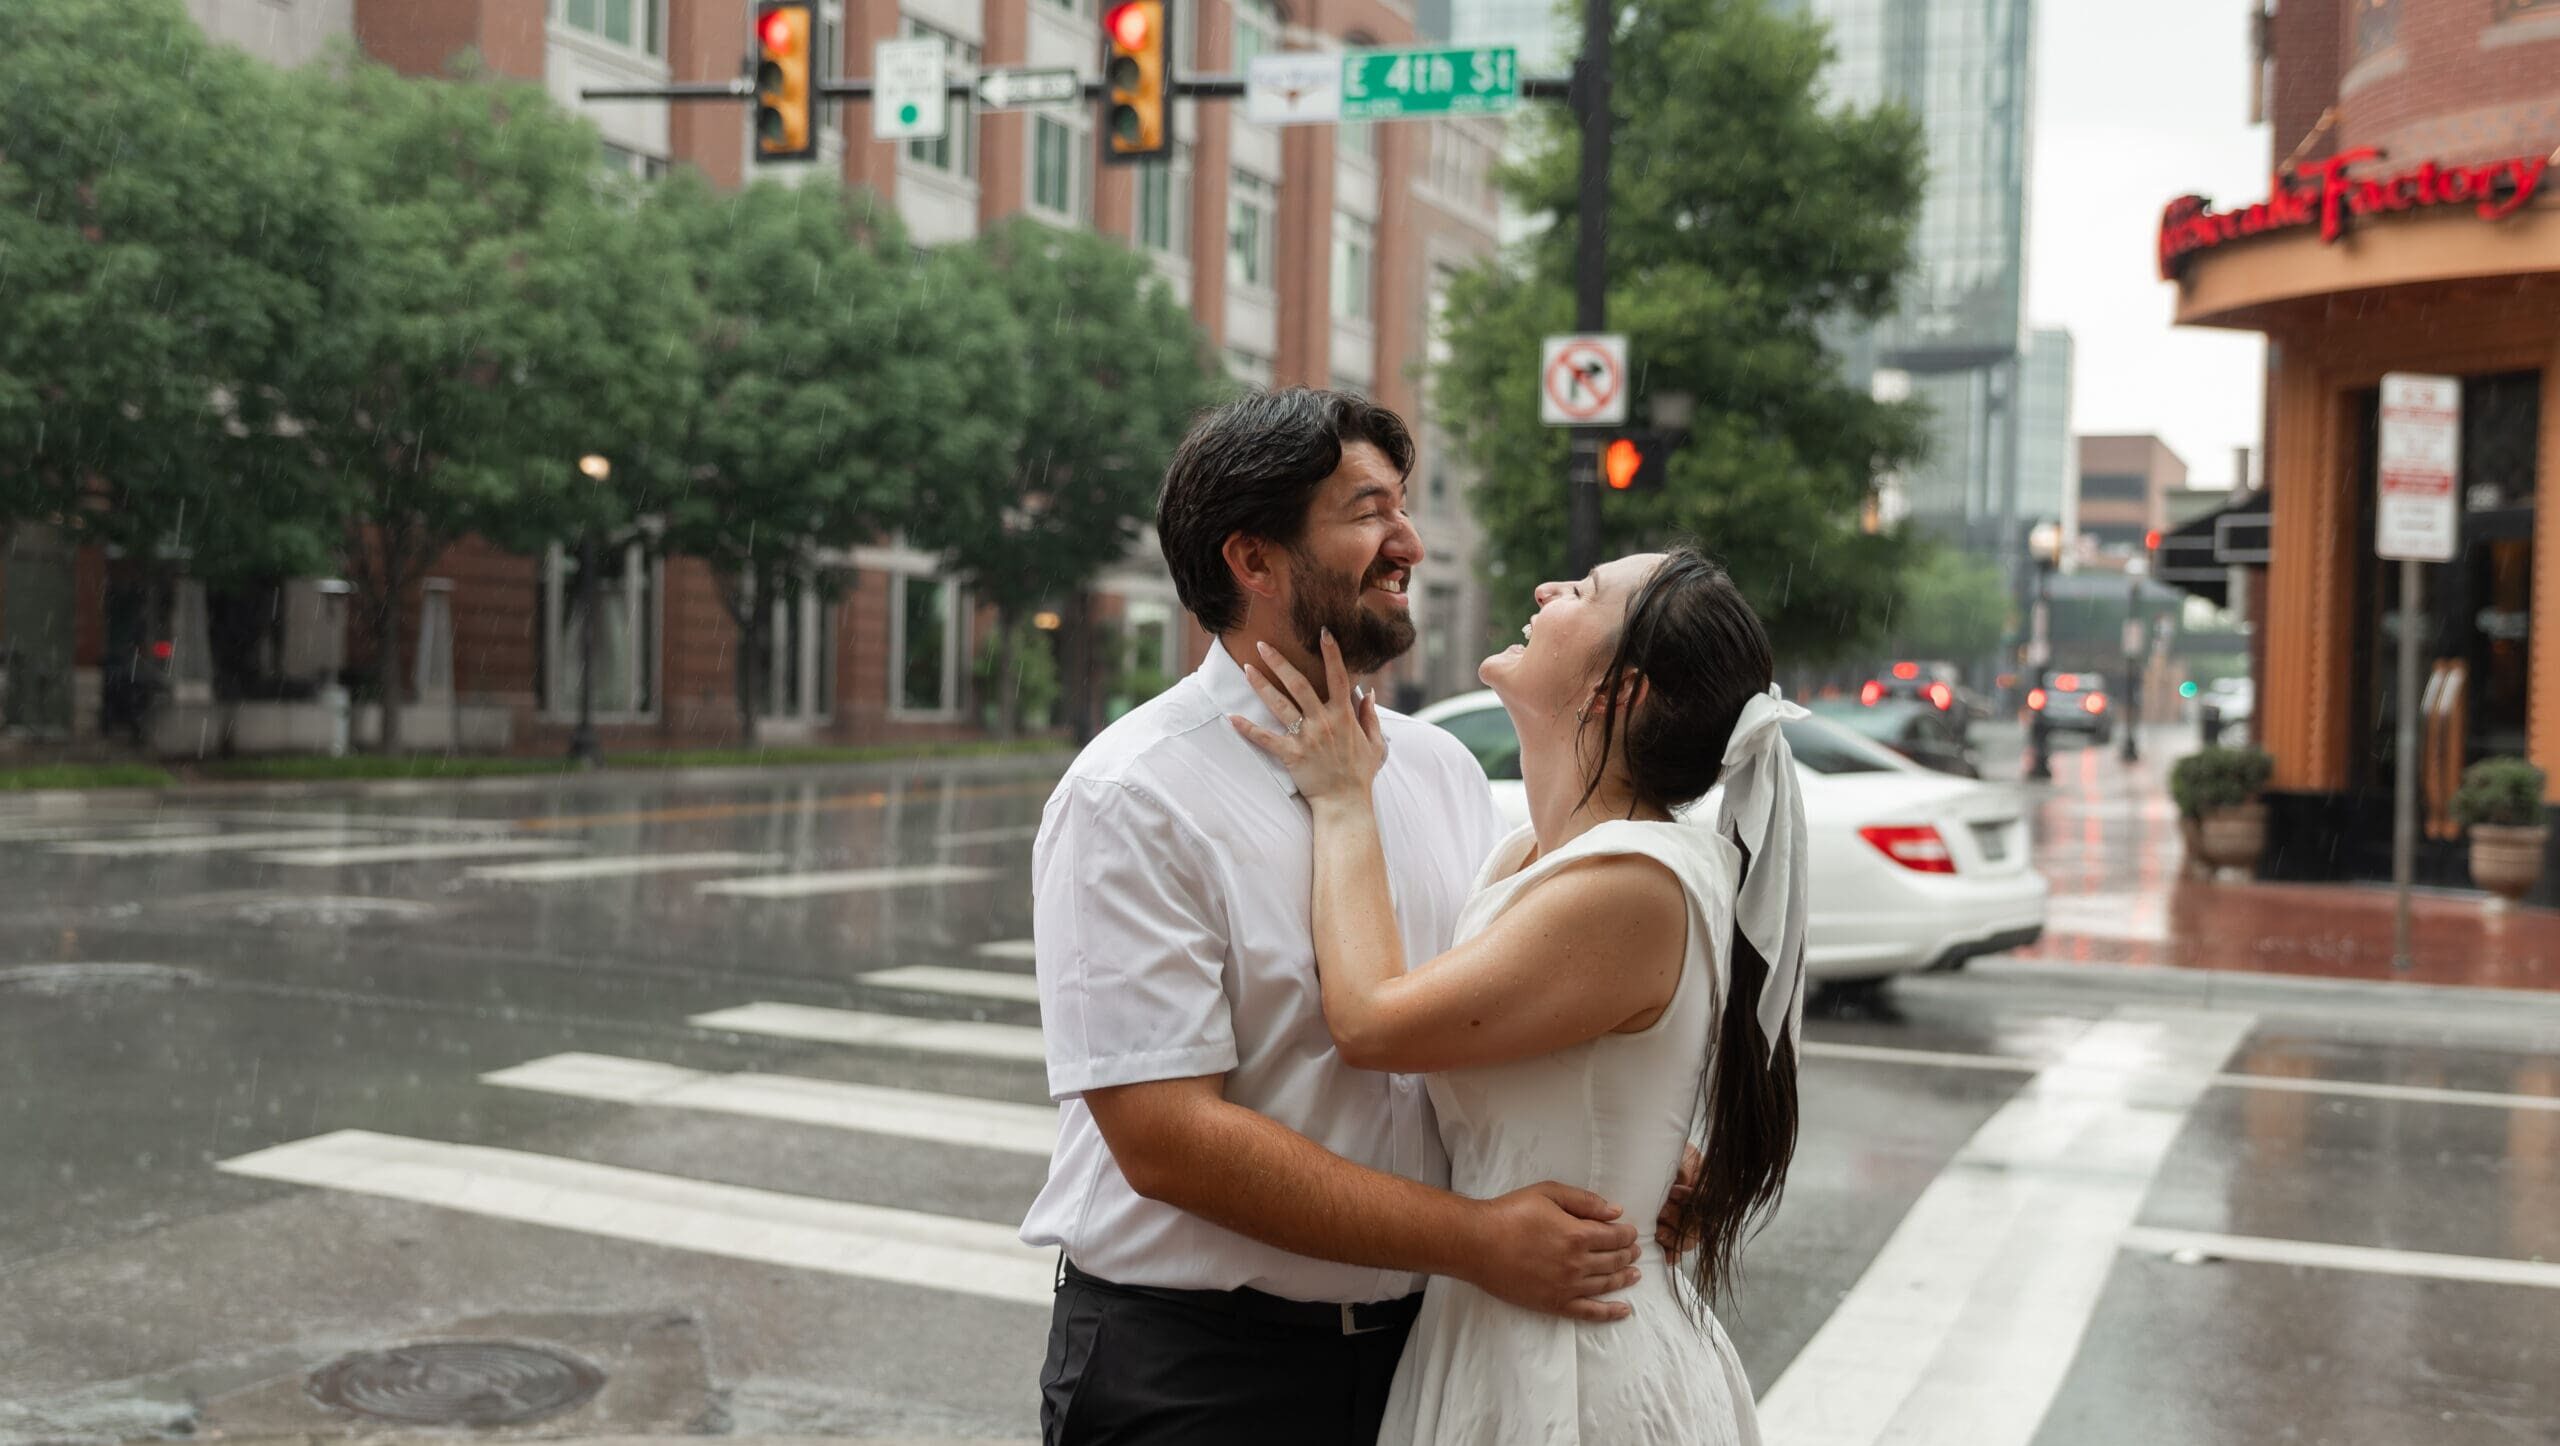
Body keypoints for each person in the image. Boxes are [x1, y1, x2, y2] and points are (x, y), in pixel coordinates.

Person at [1020, 389, 1675, 1446]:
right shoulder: (1131, 796)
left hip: (1425, 1357)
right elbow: (1166, 1140)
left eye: (1402, 507)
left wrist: (1634, 1156)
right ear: (1254, 559)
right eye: (1368, 510)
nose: (1406, 541)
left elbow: (1472, 1037)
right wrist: (1475, 1238)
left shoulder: (1442, 770)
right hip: (1199, 1376)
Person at [1231, 546, 1809, 1445]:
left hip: (1575, 1362)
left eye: (1583, 593)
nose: (1546, 589)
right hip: (1500, 1323)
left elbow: (1372, 1021)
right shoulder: (1533, 857)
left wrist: (1344, 800)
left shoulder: (1632, 881)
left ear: (1621, 693)